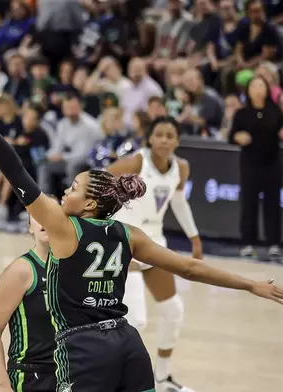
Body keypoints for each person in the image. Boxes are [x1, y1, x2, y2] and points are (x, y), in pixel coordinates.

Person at [0, 58, 283, 392]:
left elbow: (15, 170)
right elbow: (191, 268)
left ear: (89, 203)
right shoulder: (128, 234)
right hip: (127, 343)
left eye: (73, 187)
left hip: (83, 349)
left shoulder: (64, 229)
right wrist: (250, 285)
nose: (64, 190)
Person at [107, 116, 202, 392]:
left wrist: (194, 237)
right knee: (136, 319)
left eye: (170, 136)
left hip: (155, 242)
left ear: (178, 141)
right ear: (149, 138)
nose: (164, 140)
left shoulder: (181, 168)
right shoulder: (135, 163)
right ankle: (119, 380)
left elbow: (179, 202)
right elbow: (96, 182)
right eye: (159, 134)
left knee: (173, 311)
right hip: (127, 242)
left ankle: (161, 379)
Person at [0, 213, 56, 392]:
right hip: (30, 376)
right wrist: (3, 385)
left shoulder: (72, 268)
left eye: (49, 212)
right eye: (37, 216)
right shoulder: (21, 270)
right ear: (29, 227)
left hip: (66, 374)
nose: (44, 220)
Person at [229, 76, 283, 258]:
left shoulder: (275, 111)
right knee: (249, 203)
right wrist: (238, 137)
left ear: (267, 89)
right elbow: (232, 136)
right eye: (254, 86)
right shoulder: (241, 113)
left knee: (273, 203)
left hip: (272, 163)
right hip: (250, 163)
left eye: (261, 86)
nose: (257, 89)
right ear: (248, 90)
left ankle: (273, 243)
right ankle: (248, 242)